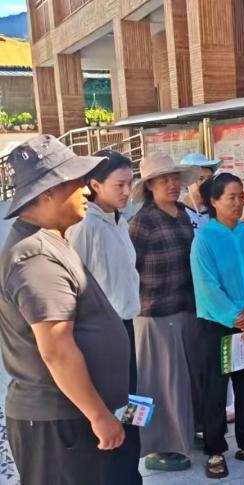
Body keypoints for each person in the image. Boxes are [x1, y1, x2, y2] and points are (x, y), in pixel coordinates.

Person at [0, 135, 130, 485]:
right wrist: (98, 414)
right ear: (48, 192)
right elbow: (57, 349)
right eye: (76, 183)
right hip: (58, 423)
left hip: (68, 420)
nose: (86, 191)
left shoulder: (51, 238)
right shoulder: (35, 256)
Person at [189, 172, 244, 478]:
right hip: (217, 324)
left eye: (241, 196)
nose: (238, 202)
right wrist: (236, 318)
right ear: (214, 201)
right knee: (215, 389)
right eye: (231, 197)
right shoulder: (204, 239)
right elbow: (207, 287)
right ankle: (214, 449)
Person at [66, 150, 142, 485]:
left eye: (130, 183)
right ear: (94, 185)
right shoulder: (85, 226)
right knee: (112, 411)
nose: (127, 191)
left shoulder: (119, 222)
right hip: (101, 336)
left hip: (127, 327)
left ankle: (130, 474)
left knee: (130, 407)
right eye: (119, 184)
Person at [129, 152, 200, 472]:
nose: (172, 184)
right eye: (163, 180)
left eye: (175, 179)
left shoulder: (184, 213)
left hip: (186, 308)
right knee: (155, 383)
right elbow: (130, 270)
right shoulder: (141, 222)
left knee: (184, 381)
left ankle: (183, 435)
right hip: (154, 314)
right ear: (149, 185)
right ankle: (155, 447)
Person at [179, 153, 236, 429]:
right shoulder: (180, 213)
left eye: (207, 178)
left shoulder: (217, 213)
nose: (203, 184)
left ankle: (225, 406)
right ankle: (200, 415)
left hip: (223, 297)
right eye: (198, 179)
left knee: (224, 354)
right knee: (199, 358)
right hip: (191, 298)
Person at [180, 152, 222, 231]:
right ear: (187, 182)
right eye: (201, 178)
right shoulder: (178, 211)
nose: (206, 183)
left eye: (209, 178)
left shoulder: (217, 208)